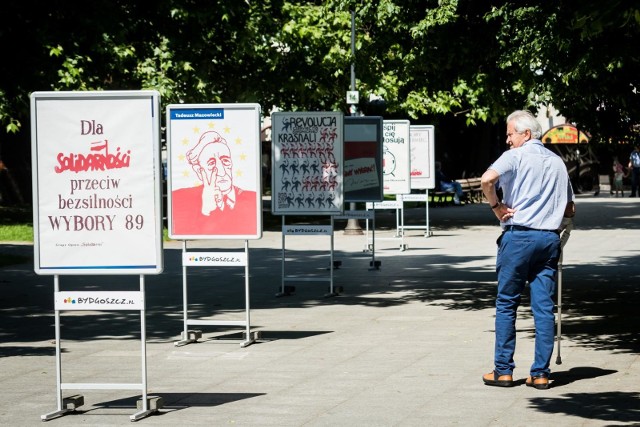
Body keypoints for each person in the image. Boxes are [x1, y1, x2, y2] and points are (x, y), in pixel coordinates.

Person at [480, 110, 575, 390]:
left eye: (510, 134)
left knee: (507, 302)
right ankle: (541, 373)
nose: (508, 140)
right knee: (544, 308)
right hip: (548, 239)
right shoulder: (558, 162)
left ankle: (503, 371)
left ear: (526, 134)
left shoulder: (516, 156)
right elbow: (570, 207)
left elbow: (487, 180)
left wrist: (497, 207)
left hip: (518, 237)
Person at [171, 130, 258, 236]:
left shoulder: (252, 198)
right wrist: (206, 212)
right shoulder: (180, 198)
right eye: (211, 163)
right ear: (199, 171)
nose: (221, 171)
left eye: (225, 161)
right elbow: (181, 233)